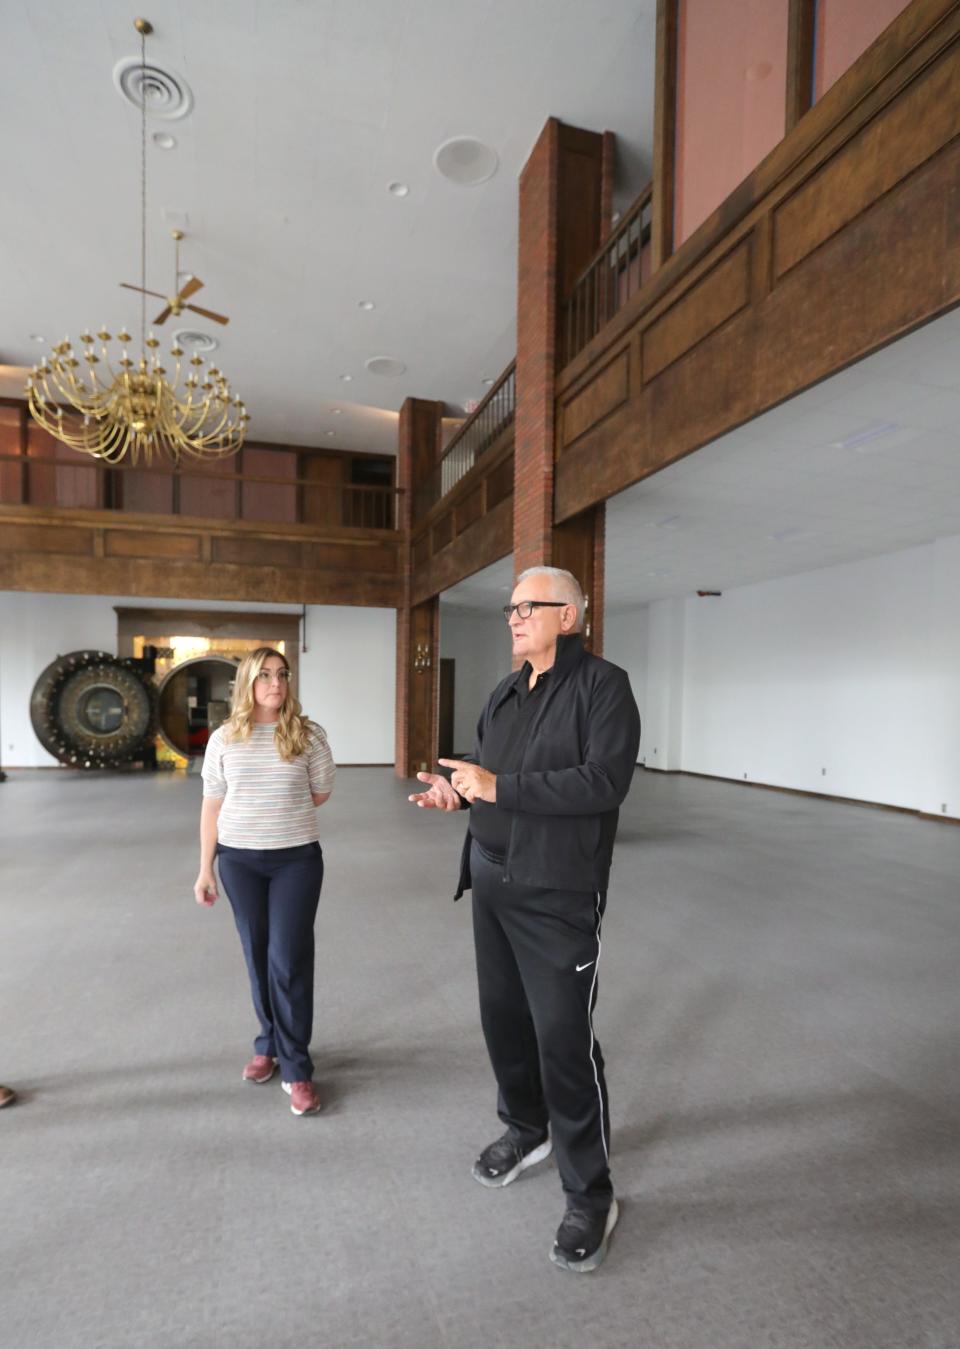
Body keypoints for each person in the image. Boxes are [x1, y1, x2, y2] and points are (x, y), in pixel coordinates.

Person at [409, 566, 640, 1273]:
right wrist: (462, 793)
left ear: (568, 615)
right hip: (492, 880)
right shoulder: (506, 691)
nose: (512, 616)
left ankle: (589, 1192)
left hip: (557, 893)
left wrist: (498, 786)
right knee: (504, 1022)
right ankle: (525, 1127)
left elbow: (604, 781)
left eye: (527, 606)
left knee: (563, 1040)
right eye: (509, 607)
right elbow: (488, 771)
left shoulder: (605, 687)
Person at [194, 647, 335, 1117]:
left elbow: (319, 792)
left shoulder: (308, 736)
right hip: (239, 863)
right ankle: (267, 1043)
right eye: (265, 676)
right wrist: (205, 868)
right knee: (257, 953)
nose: (276, 683)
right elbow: (212, 806)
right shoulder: (223, 739)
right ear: (247, 683)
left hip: (296, 861)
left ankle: (297, 1069)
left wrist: (278, 817)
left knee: (287, 959)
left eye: (282, 675)